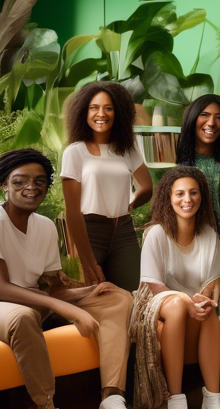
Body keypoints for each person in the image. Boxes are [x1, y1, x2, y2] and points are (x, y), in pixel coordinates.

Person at [0, 148, 138, 409]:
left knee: (117, 297)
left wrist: (84, 292)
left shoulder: (45, 227)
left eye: (39, 181)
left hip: (37, 302)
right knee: (21, 316)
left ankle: (111, 398)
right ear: (4, 185)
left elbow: (51, 287)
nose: (30, 188)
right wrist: (62, 307)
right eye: (20, 181)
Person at [139, 166, 220, 409]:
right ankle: (174, 399)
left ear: (202, 197)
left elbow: (212, 286)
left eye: (193, 193)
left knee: (207, 306)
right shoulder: (156, 233)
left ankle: (213, 399)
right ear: (168, 197)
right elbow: (154, 286)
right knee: (179, 304)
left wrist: (202, 301)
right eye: (179, 194)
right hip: (161, 305)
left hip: (195, 308)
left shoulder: (209, 236)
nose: (187, 199)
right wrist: (185, 301)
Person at [61, 81, 153, 292]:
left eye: (108, 108)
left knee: (132, 294)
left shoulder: (127, 150)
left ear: (118, 112)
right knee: (93, 297)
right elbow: (72, 211)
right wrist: (87, 260)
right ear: (84, 112)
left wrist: (130, 204)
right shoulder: (75, 152)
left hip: (123, 232)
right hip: (90, 231)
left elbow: (147, 188)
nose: (101, 113)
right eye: (94, 107)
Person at [176, 94, 220, 249]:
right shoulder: (178, 164)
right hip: (187, 246)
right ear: (192, 118)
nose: (212, 123)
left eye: (219, 117)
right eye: (204, 115)